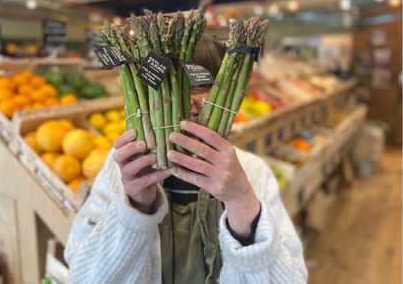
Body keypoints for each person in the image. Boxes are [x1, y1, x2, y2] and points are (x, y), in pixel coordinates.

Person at [65, 35, 307, 283]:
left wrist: (241, 200)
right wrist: (134, 208)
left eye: (201, 86)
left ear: (230, 93)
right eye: (175, 86)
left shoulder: (252, 173)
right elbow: (81, 276)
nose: (188, 104)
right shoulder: (122, 168)